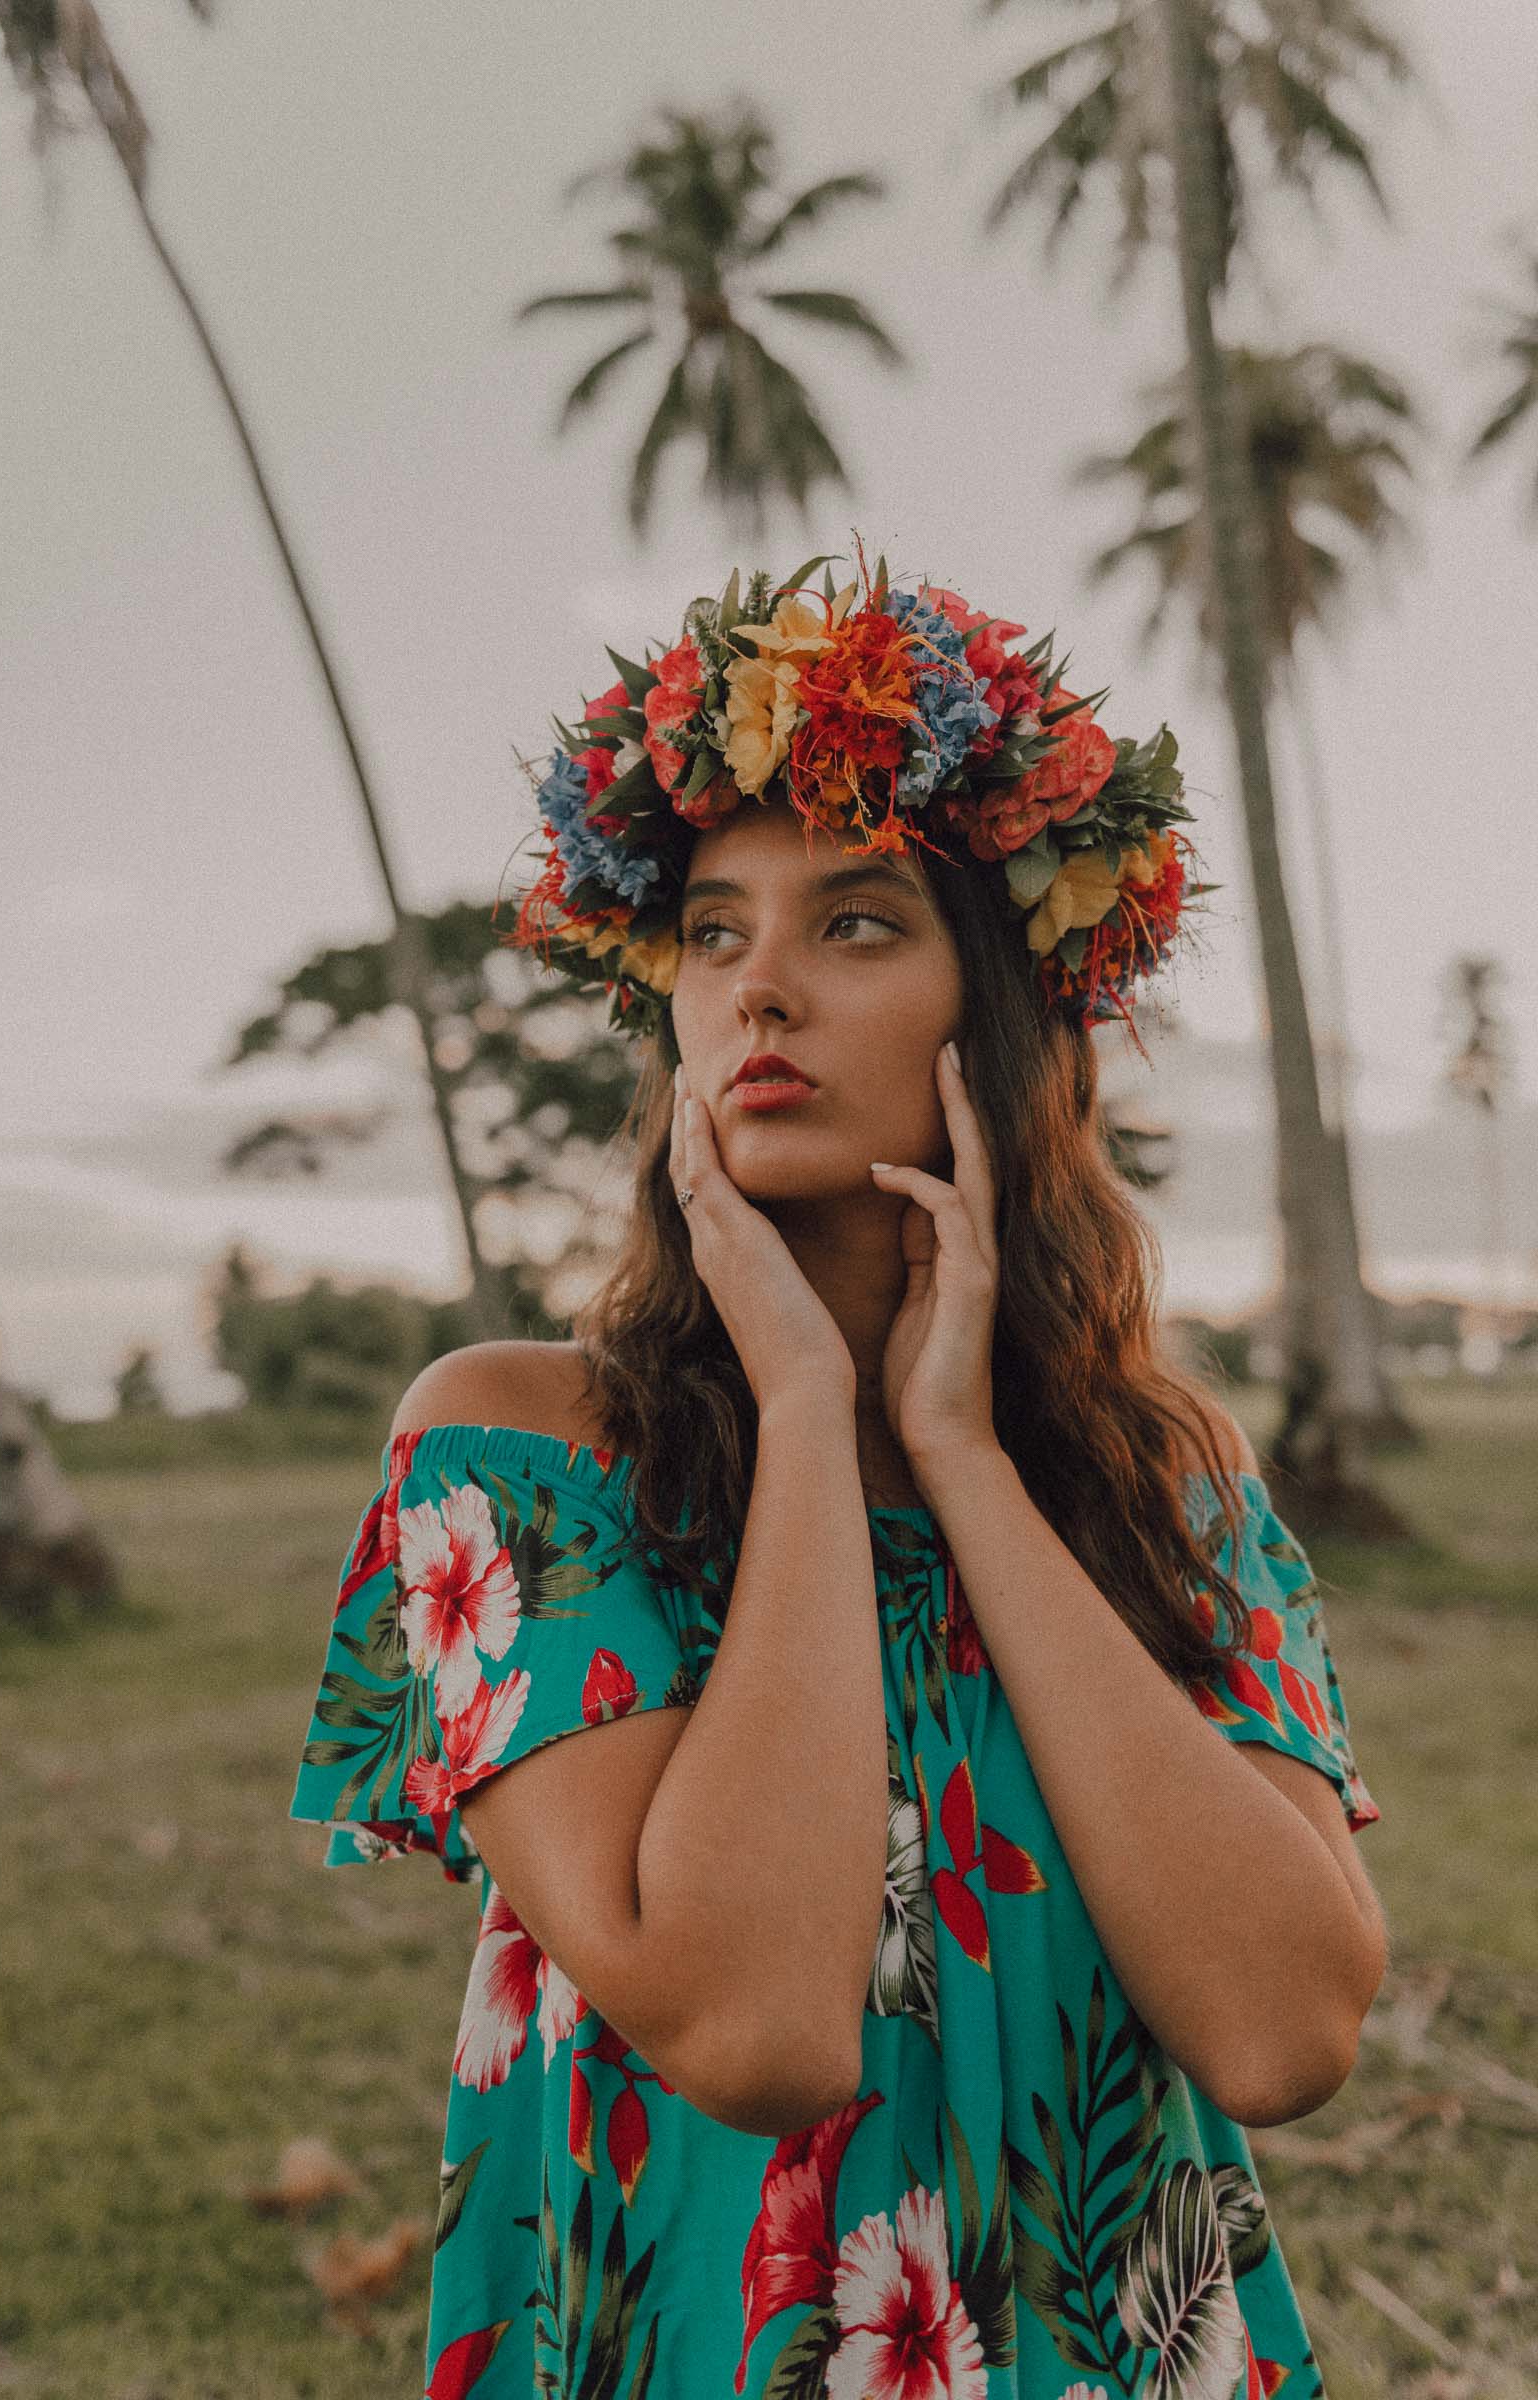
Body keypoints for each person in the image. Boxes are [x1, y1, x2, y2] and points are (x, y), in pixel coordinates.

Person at [289, 543, 1387, 2399]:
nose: (761, 990)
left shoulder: (1159, 1475)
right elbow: (757, 2020)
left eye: (857, 923)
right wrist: (806, 1413)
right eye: (713, 931)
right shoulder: (517, 1445)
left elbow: (1282, 2033)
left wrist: (958, 1455)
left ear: (1007, 1023)